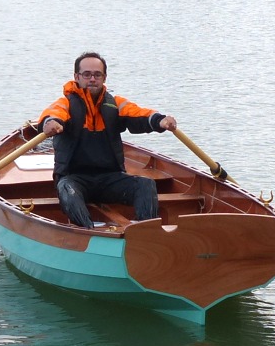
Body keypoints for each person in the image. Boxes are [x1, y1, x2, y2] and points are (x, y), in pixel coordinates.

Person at [37, 51, 177, 228]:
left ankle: (145, 232)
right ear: (76, 77)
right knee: (66, 189)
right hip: (74, 179)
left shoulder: (115, 104)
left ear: (104, 78)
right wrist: (50, 123)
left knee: (145, 184)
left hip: (110, 178)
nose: (92, 79)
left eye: (97, 75)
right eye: (87, 74)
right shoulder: (65, 103)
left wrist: (160, 120)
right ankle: (88, 232)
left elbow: (140, 114)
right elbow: (52, 114)